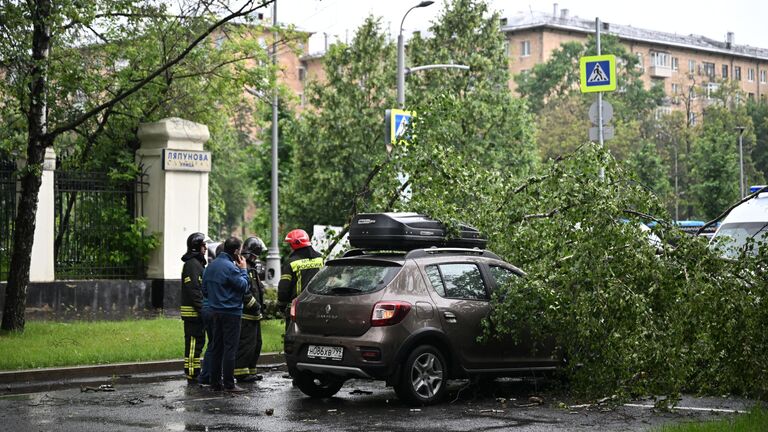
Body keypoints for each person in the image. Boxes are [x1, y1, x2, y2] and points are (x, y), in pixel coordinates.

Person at [201, 237, 251, 392]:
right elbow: (244, 287)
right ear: (236, 251)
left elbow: (204, 290)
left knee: (217, 347)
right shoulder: (231, 268)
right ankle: (229, 384)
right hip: (232, 312)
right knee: (230, 348)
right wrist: (243, 269)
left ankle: (215, 383)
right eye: (240, 249)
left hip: (215, 311)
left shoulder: (211, 266)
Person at [277, 229, 323, 332]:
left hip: (297, 308)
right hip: (318, 306)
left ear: (295, 244)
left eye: (290, 244)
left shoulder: (291, 262)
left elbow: (284, 288)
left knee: (294, 338)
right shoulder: (320, 258)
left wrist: (281, 305)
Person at [234, 236, 266, 383]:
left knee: (256, 344)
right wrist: (255, 305)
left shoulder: (251, 268)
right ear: (253, 253)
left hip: (254, 315)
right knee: (246, 344)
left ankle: (251, 370)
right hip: (246, 315)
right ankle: (240, 373)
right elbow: (244, 292)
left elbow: (256, 289)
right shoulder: (244, 267)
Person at [180, 232, 207, 383]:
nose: (206, 248)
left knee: (198, 343)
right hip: (193, 313)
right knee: (192, 344)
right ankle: (191, 373)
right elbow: (194, 290)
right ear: (197, 247)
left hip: (197, 311)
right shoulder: (191, 265)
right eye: (203, 245)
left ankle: (195, 371)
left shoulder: (196, 264)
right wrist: (202, 309)